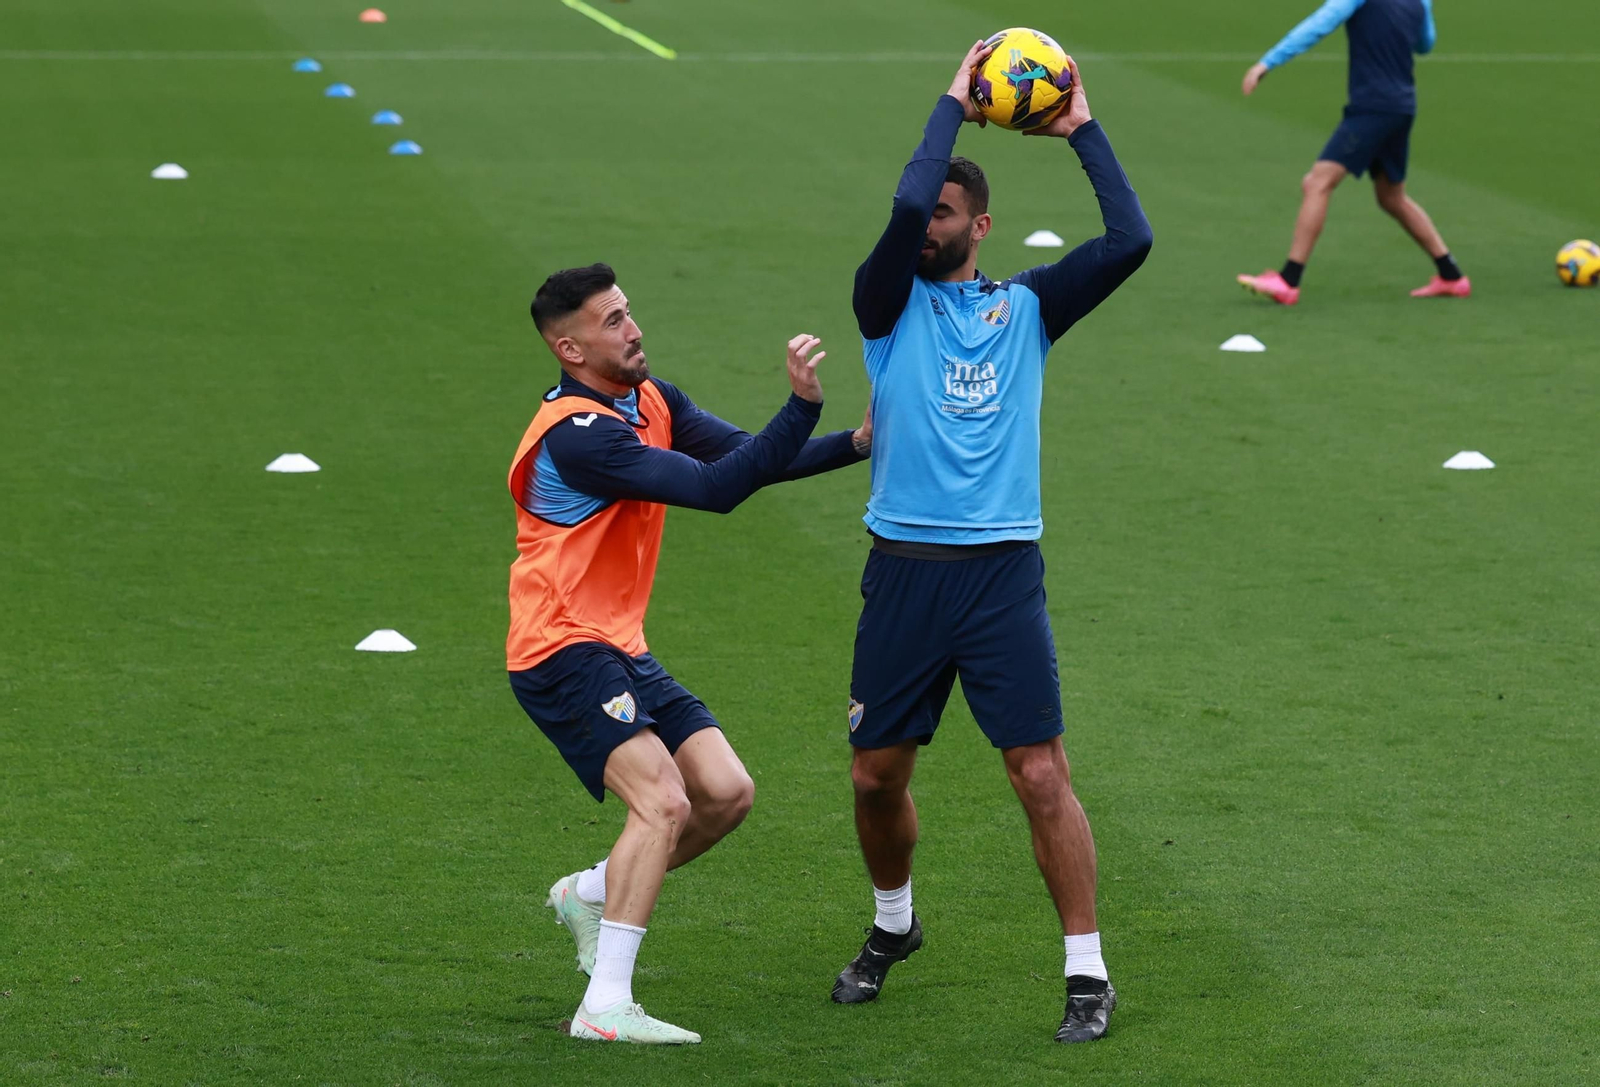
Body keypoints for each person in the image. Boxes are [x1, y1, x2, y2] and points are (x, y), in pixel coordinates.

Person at [833, 41, 1151, 1044]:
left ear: (980, 226)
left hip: (1001, 574)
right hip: (904, 572)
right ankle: (894, 925)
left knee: (1038, 773)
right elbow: (896, 211)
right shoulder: (885, 304)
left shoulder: (1027, 309)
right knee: (874, 776)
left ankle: (1086, 971)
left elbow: (1129, 237)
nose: (927, 221)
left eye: (945, 212)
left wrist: (1080, 128)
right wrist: (948, 108)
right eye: (926, 209)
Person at [508, 263, 869, 1044]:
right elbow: (717, 488)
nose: (632, 329)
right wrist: (802, 405)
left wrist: (857, 442)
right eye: (611, 321)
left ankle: (593, 890)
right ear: (569, 348)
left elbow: (752, 456)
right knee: (664, 801)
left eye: (628, 312)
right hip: (560, 644)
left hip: (618, 642)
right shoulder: (581, 437)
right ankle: (604, 1004)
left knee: (726, 792)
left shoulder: (652, 399)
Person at [1235, 0, 1469, 304]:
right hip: (1402, 105)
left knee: (1318, 182)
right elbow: (1425, 44)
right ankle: (1451, 276)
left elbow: (1321, 23)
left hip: (1372, 107)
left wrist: (1267, 62)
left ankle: (1287, 280)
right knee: (1391, 197)